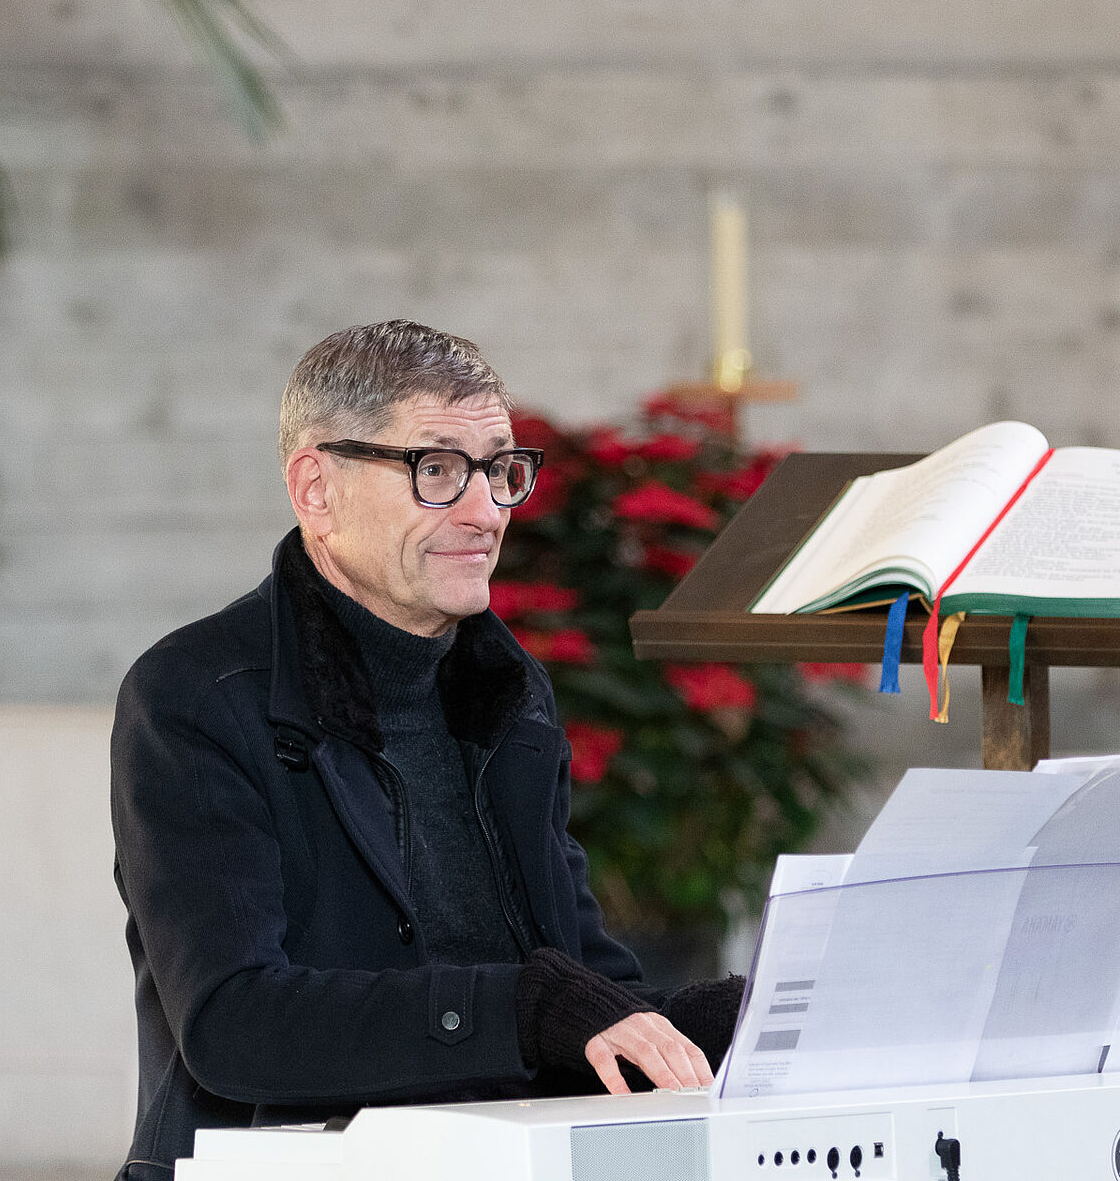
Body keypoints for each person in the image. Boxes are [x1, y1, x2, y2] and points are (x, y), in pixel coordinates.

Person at [110, 320, 744, 1180]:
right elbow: (233, 1024)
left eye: (499, 470)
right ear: (316, 489)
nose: (487, 513)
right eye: (437, 470)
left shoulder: (507, 691)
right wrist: (522, 1007)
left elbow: (588, 995)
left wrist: (744, 1019)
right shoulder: (196, 695)